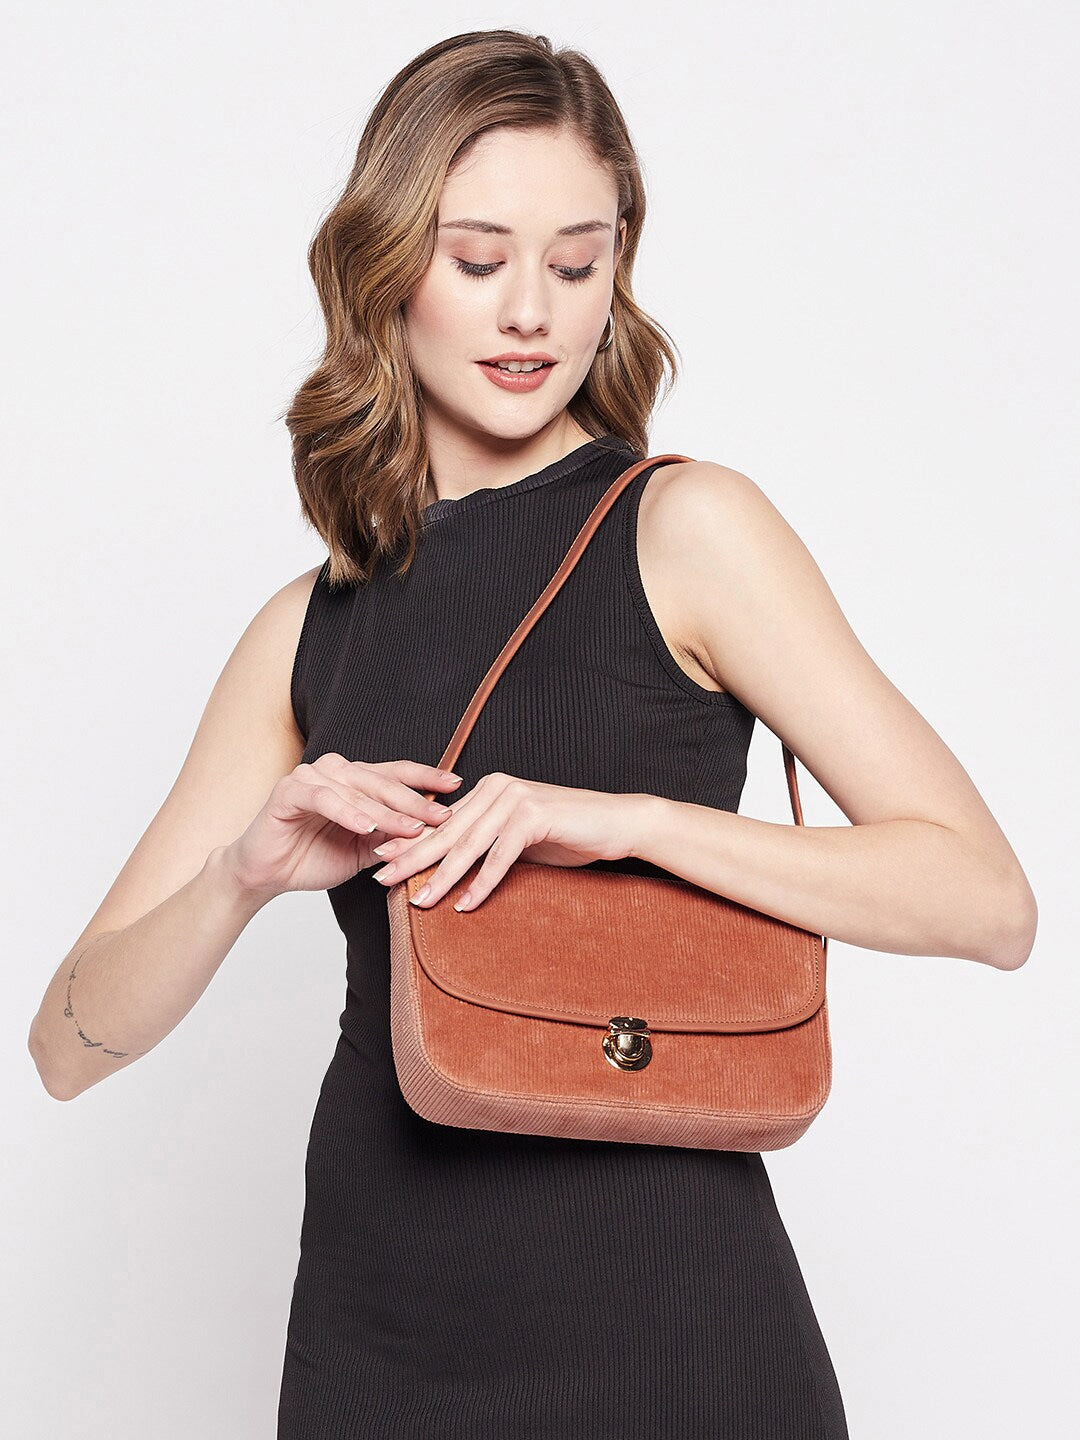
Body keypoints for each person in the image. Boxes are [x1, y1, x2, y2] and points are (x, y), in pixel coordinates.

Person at [27, 28, 1037, 1440]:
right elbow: (67, 1047)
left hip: (675, 1342)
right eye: (477, 258)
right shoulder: (308, 627)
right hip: (377, 1346)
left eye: (575, 264)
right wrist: (238, 878)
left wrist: (626, 825)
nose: (530, 315)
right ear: (386, 268)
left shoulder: (686, 530)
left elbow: (988, 902)